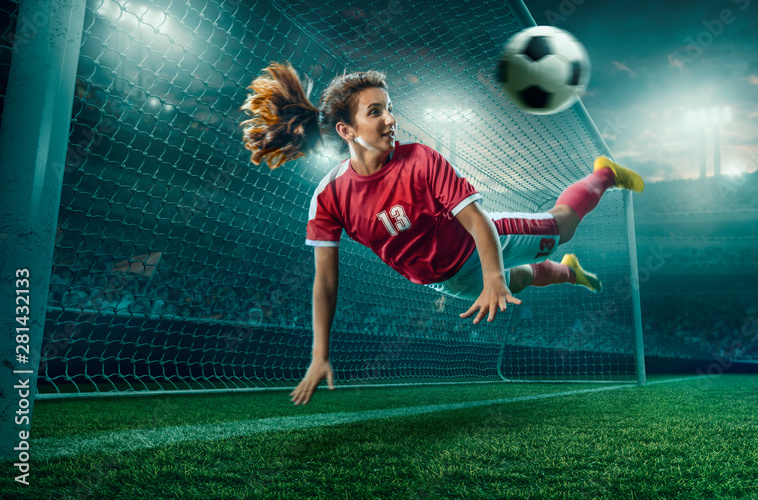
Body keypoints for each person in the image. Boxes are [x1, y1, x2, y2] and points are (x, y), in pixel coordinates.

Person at [239, 63, 645, 405]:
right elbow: (325, 280)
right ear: (347, 131)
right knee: (523, 278)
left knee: (563, 227)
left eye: (390, 108)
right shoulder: (328, 196)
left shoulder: (418, 159)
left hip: (485, 242)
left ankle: (604, 174)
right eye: (376, 112)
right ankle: (569, 272)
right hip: (444, 281)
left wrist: (491, 277)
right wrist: (319, 353)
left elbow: (477, 220)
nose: (391, 119)